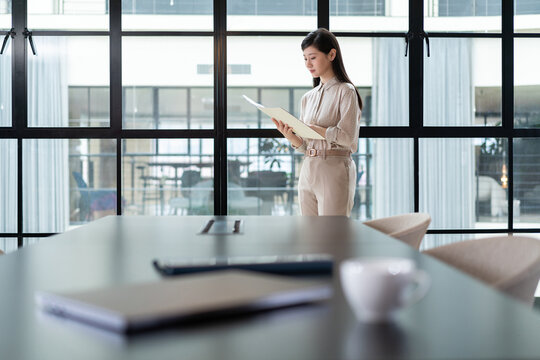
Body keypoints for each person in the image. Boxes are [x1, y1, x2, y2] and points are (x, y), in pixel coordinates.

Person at [272, 28, 362, 216]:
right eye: (305, 58)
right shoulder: (308, 98)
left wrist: (314, 129)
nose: (308, 64)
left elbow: (347, 138)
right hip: (308, 169)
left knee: (332, 236)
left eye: (312, 57)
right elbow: (306, 146)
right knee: (310, 235)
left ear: (331, 54)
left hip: (334, 168)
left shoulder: (346, 91)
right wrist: (291, 136)